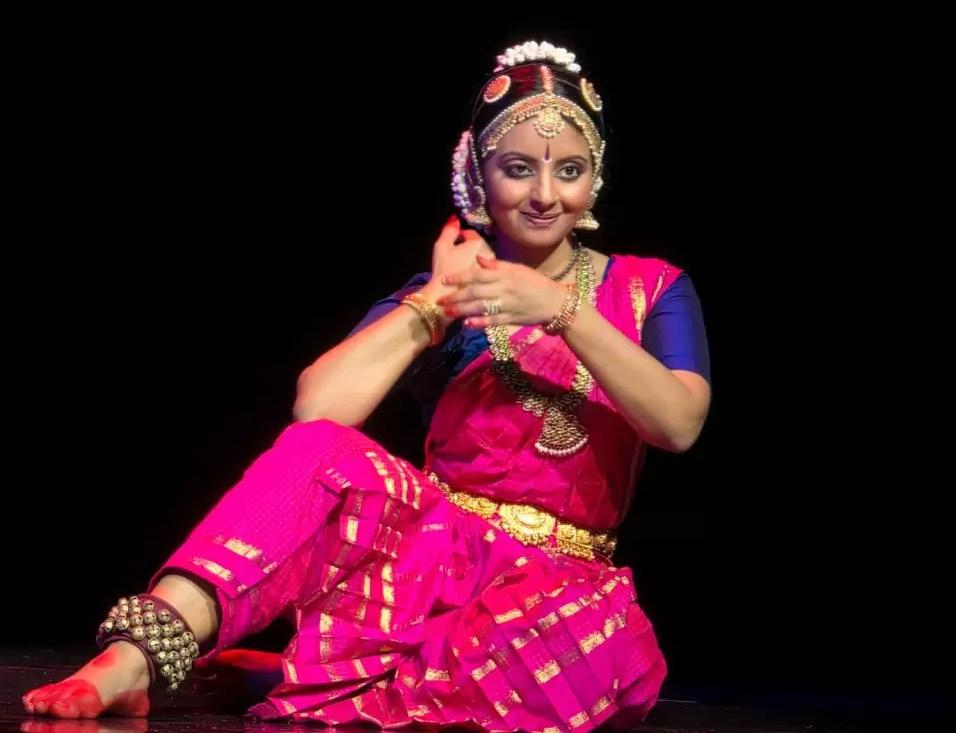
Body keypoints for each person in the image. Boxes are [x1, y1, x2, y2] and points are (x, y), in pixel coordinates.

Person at [23, 39, 711, 731]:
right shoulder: (446, 293)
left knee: (564, 658)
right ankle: (136, 656)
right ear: (477, 173)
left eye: (569, 170)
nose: (544, 195)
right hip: (433, 567)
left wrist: (561, 311)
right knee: (323, 452)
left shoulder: (652, 289)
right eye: (517, 169)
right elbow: (316, 412)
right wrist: (436, 302)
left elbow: (678, 423)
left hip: (561, 593)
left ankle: (299, 672)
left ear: (596, 176)